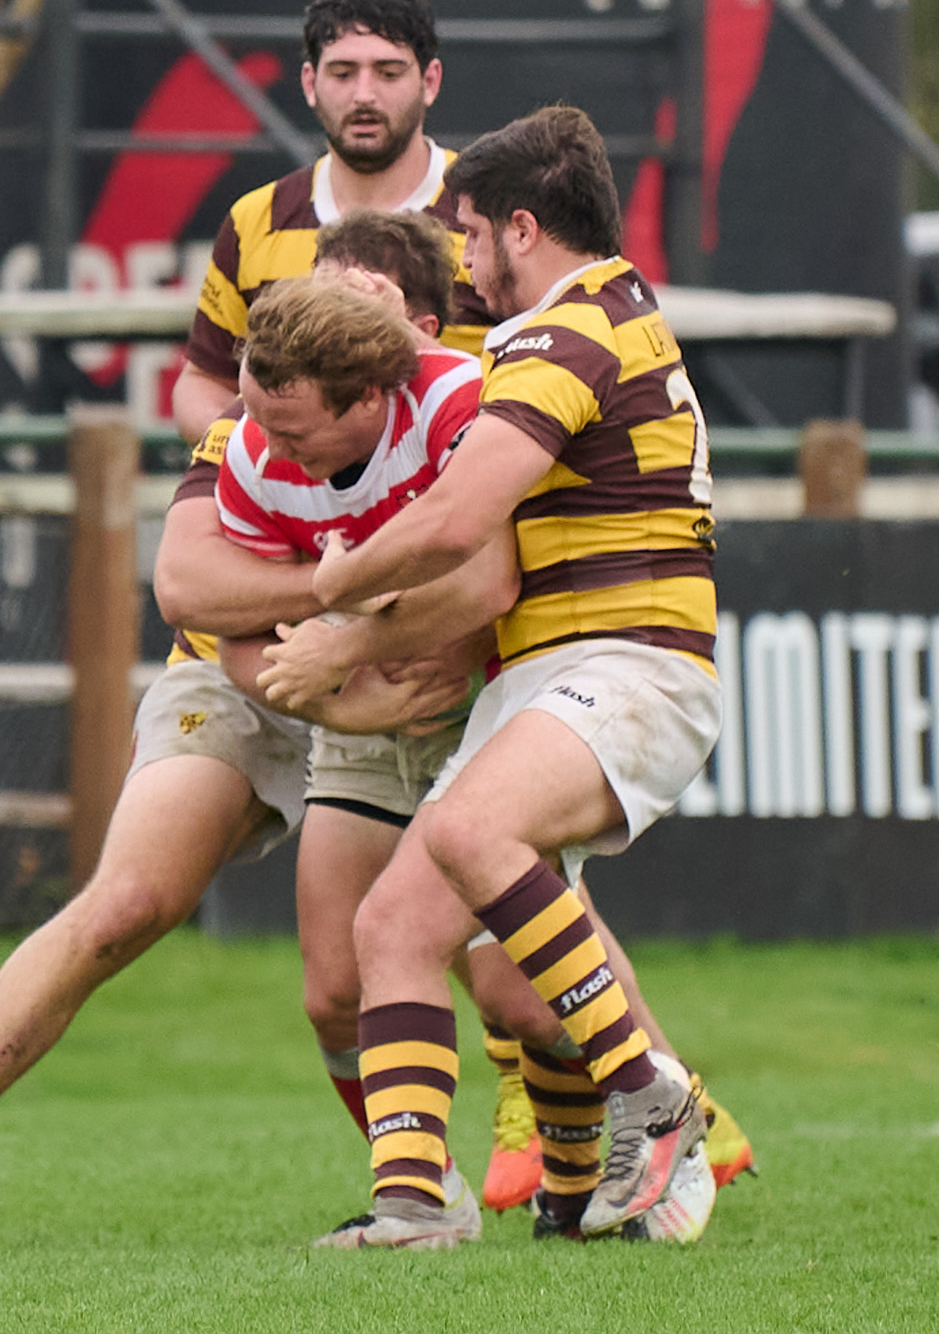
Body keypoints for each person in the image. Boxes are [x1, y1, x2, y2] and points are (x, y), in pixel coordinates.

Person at [0, 269, 472, 1234]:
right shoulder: (259, 424)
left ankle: (630, 1124)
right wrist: (341, 598)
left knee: (500, 964)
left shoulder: (460, 402)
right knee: (133, 899)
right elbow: (188, 588)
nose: (272, 440)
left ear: (404, 327)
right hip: (248, 672)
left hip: (403, 677)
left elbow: (486, 577)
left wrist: (365, 635)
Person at [303, 105, 721, 1247]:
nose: (464, 260)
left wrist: (338, 594)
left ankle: (653, 1093)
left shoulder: (563, 333)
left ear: (523, 229)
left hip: (628, 662)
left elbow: (458, 517)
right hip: (556, 672)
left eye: (474, 234)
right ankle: (421, 1205)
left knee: (469, 831)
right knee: (395, 926)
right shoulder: (601, 314)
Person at [171, 0, 490, 444]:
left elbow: (546, 374)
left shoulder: (491, 211)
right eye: (342, 73)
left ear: (430, 81)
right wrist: (268, 454)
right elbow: (202, 381)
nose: (364, 95)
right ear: (309, 82)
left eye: (388, 73)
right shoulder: (254, 220)